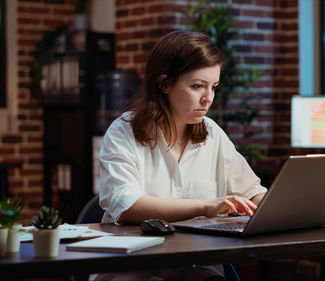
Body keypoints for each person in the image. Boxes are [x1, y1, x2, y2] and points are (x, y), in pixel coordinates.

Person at [97, 30, 267, 281]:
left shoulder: (212, 134)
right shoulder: (124, 131)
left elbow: (252, 192)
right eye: (197, 86)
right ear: (164, 84)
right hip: (133, 266)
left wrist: (291, 208)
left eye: (213, 87)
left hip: (194, 264)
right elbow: (127, 206)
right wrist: (206, 207)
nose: (208, 98)